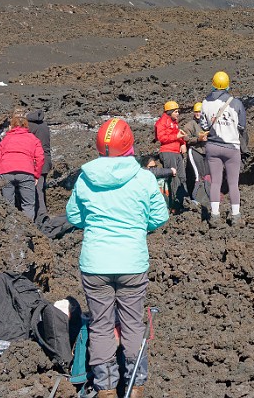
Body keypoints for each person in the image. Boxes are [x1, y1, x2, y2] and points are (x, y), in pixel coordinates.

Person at [66, 118, 168, 398]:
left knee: (100, 325)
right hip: (132, 263)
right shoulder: (144, 178)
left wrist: (95, 224)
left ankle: (107, 389)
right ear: (130, 145)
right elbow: (160, 216)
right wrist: (138, 227)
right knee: (133, 323)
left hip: (95, 264)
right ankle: (136, 385)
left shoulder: (85, 178)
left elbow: (74, 216)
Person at [200, 70, 246, 227]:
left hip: (212, 146)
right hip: (232, 147)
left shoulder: (205, 102)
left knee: (215, 183)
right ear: (227, 85)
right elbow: (242, 127)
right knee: (233, 183)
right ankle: (236, 216)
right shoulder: (236, 103)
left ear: (213, 84)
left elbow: (203, 126)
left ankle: (214, 215)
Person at [0, 108, 44, 221]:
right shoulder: (33, 139)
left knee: (7, 205)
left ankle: (10, 228)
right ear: (26, 125)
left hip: (5, 171)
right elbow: (40, 158)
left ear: (12, 125)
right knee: (28, 205)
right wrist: (36, 175)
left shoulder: (6, 139)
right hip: (26, 172)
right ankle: (27, 229)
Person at [154, 100, 187, 210]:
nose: (178, 113)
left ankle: (182, 201)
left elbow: (177, 135)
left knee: (182, 177)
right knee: (173, 177)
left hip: (176, 152)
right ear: (170, 111)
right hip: (168, 152)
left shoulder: (174, 122)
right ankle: (174, 205)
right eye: (176, 111)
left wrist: (182, 143)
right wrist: (177, 137)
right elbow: (161, 138)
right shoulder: (162, 122)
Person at [26, 109, 51, 223]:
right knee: (41, 188)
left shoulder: (30, 127)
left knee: (37, 190)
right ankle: (42, 213)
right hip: (46, 160)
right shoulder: (44, 125)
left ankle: (42, 217)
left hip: (37, 162)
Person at [182, 102, 210, 206]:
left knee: (207, 175)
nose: (198, 114)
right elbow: (186, 138)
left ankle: (207, 196)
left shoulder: (208, 123)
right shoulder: (191, 124)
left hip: (206, 151)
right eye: (196, 112)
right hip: (195, 151)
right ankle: (196, 197)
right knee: (198, 175)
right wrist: (198, 139)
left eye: (200, 112)